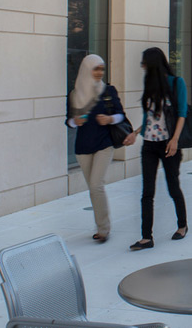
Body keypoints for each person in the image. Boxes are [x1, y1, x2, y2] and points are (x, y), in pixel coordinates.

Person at [124, 47, 188, 249]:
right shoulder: (149, 84)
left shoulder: (176, 83)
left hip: (168, 144)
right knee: (147, 192)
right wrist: (135, 132)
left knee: (172, 187)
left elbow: (182, 113)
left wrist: (175, 139)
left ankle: (182, 225)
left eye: (144, 62)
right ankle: (146, 237)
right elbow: (151, 118)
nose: (142, 66)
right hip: (149, 145)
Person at [66, 53, 125, 243]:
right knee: (93, 189)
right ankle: (101, 225)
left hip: (104, 143)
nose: (100, 72)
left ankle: (103, 229)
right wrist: (75, 121)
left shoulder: (108, 91)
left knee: (96, 185)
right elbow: (68, 121)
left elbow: (121, 115)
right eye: (96, 68)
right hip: (83, 146)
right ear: (86, 70)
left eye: (102, 68)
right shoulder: (75, 95)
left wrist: (109, 119)